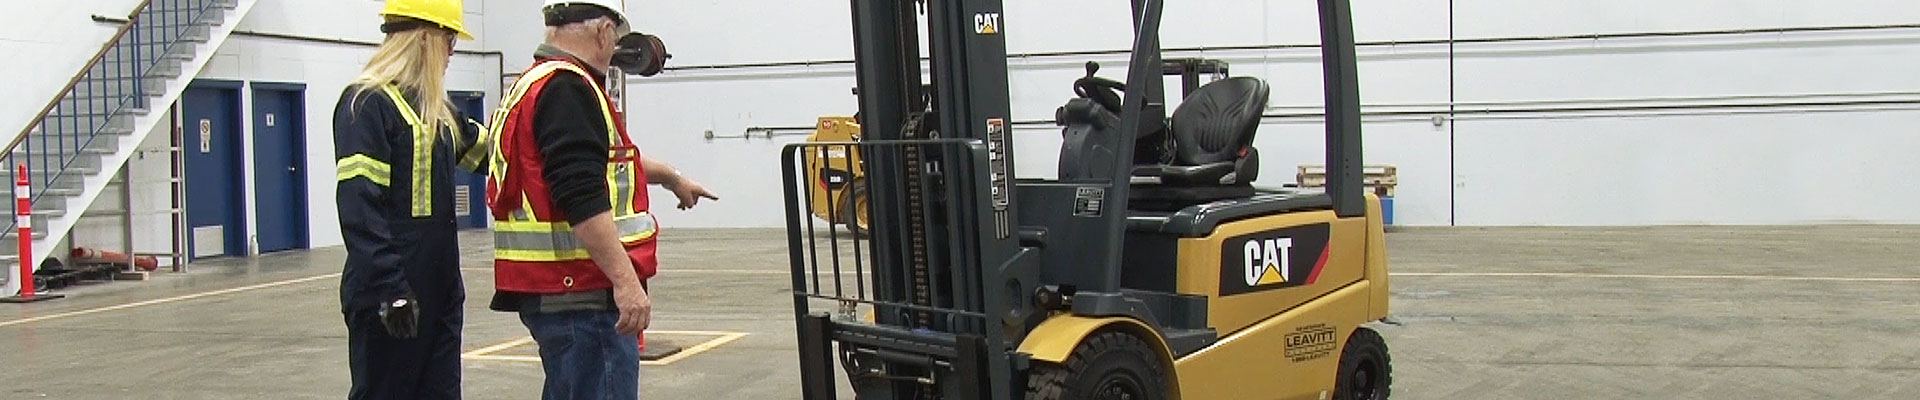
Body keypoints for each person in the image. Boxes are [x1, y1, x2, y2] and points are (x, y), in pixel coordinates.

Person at [482, 0, 716, 398]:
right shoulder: (568, 89)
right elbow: (581, 194)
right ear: (604, 31)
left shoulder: (534, 82)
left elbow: (600, 163)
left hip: (558, 294)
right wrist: (626, 283)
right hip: (583, 294)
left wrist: (672, 178)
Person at [331, 0, 488, 398]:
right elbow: (360, 209)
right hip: (390, 292)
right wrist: (390, 290)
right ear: (424, 39)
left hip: (441, 288)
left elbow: (494, 152)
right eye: (449, 41)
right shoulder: (365, 105)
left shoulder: (438, 112)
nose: (452, 53)